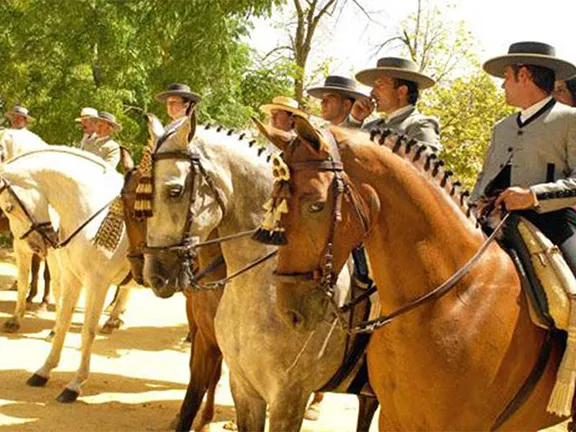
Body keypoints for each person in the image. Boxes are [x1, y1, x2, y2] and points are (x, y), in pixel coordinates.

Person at [471, 41, 576, 273]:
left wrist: (533, 196)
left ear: (525, 75)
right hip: (487, 221)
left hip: (552, 224)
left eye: (507, 77)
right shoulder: (502, 127)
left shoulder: (571, 120)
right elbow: (483, 177)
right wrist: (471, 204)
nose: (502, 85)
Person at [350, 57, 441, 151]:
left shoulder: (421, 125)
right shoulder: (370, 126)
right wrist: (355, 120)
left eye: (380, 85)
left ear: (401, 91)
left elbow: (422, 164)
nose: (372, 93)